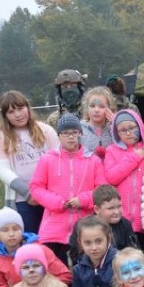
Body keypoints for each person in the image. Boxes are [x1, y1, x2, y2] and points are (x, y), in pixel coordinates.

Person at [29, 113, 107, 264]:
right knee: (55, 269)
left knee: (84, 268)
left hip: (85, 226)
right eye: (65, 133)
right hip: (54, 225)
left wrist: (83, 200)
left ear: (80, 134)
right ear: (59, 135)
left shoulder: (94, 161)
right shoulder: (47, 159)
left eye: (74, 132)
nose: (70, 137)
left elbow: (102, 189)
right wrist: (56, 202)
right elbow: (36, 187)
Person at [0, 90, 60, 234]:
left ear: (28, 108)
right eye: (11, 111)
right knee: (30, 241)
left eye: (20, 108)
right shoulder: (0, 137)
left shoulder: (45, 130)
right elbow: (2, 170)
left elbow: (59, 159)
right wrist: (28, 193)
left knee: (54, 241)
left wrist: (46, 193)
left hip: (51, 197)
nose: (17, 114)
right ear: (5, 115)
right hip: (22, 200)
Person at [103, 110, 144, 234]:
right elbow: (112, 177)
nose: (129, 133)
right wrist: (135, 158)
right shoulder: (112, 151)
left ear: (139, 126)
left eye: (132, 128)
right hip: (122, 218)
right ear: (116, 133)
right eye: (123, 130)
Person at [68, 185, 138, 266]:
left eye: (119, 207)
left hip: (120, 269)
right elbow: (75, 255)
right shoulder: (83, 226)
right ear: (97, 209)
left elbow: (133, 251)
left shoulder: (125, 224)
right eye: (111, 208)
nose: (116, 212)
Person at [80, 86, 116, 154]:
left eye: (101, 106)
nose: (96, 110)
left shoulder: (114, 128)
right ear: (87, 108)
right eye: (92, 106)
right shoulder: (79, 130)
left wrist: (117, 124)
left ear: (109, 108)